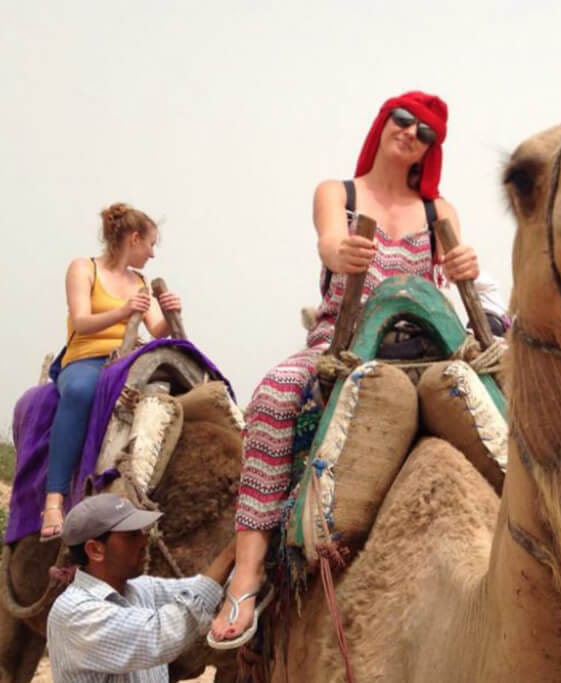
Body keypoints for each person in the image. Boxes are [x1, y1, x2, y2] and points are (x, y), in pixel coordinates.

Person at [209, 91, 479, 647]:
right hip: (344, 343)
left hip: (426, 348)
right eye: (403, 120)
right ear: (384, 123)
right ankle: (247, 574)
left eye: (425, 132)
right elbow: (331, 241)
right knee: (275, 393)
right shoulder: (339, 193)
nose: (411, 133)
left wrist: (464, 263)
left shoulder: (440, 212)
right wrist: (340, 252)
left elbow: (457, 264)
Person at [41, 204, 183, 542]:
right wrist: (123, 310)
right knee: (80, 392)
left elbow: (156, 330)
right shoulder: (84, 268)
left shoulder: (141, 282)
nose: (152, 253)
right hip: (87, 359)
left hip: (130, 362)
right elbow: (81, 321)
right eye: (150, 244)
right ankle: (54, 500)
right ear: (134, 239)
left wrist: (170, 313)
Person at [46, 493, 234, 682]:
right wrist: (230, 554)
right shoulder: (74, 612)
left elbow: (203, 588)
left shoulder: (140, 589)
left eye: (141, 533)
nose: (144, 541)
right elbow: (160, 636)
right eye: (131, 536)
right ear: (95, 550)